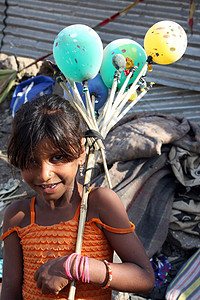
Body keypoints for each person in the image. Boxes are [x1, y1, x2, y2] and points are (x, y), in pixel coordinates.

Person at [1, 94, 155, 300]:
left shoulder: (98, 204)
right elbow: (10, 292)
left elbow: (144, 278)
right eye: (30, 161)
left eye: (57, 157)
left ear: (81, 152)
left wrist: (75, 266)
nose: (44, 174)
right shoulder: (17, 217)